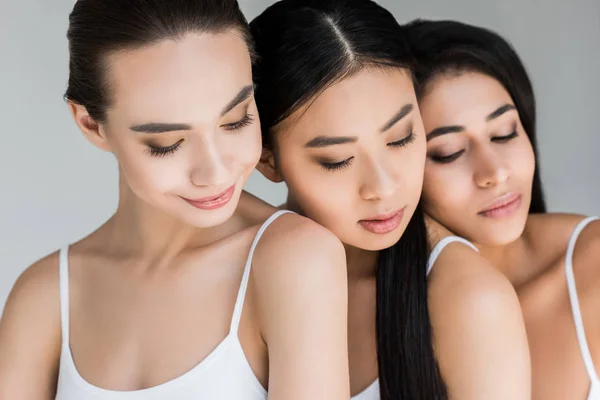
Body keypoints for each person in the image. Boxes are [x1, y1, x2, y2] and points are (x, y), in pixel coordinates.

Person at [0, 1, 350, 398]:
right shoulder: (44, 296)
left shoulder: (294, 259)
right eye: (168, 144)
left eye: (236, 120)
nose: (216, 172)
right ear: (92, 125)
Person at [250, 1, 530, 399]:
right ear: (266, 159)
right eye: (337, 160)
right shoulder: (236, 269)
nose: (382, 188)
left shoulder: (470, 301)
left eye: (400, 138)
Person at [407, 18, 600, 399]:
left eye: (504, 133)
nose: (494, 172)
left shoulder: (593, 265)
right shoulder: (383, 306)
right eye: (449, 153)